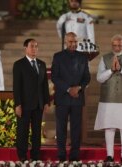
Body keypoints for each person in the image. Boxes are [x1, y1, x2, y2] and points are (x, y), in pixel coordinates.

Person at [94, 34, 122, 163]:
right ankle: (110, 155)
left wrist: (121, 70)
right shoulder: (105, 58)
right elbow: (99, 78)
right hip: (108, 97)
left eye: (120, 45)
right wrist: (111, 70)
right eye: (114, 45)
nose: (117, 47)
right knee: (109, 127)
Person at [51, 32, 91, 161]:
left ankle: (74, 156)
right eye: (70, 42)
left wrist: (78, 88)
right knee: (61, 129)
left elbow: (87, 77)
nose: (73, 44)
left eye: (75, 42)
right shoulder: (57, 57)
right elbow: (54, 77)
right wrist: (69, 89)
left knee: (76, 129)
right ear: (65, 42)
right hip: (62, 97)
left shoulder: (83, 57)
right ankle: (61, 155)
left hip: (77, 98)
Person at [13, 38, 50, 161]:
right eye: (32, 46)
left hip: (38, 104)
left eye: (36, 46)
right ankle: (22, 156)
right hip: (24, 104)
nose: (34, 49)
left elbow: (44, 85)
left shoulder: (42, 64)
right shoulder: (19, 64)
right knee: (23, 131)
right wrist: (17, 104)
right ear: (25, 48)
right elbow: (16, 86)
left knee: (36, 132)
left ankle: (35, 156)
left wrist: (46, 102)